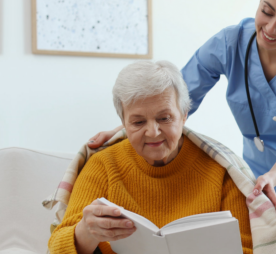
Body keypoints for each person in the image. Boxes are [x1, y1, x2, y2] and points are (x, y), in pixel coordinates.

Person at [88, 0, 276, 248]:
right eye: (266, 11)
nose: (271, 28)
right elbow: (177, 100)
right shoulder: (232, 42)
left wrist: (273, 177)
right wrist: (125, 130)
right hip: (259, 176)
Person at [49, 61, 253, 254]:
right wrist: (85, 231)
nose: (153, 132)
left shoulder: (221, 170)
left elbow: (248, 249)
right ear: (123, 123)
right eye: (138, 122)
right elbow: (56, 248)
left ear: (184, 115)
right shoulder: (103, 165)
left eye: (164, 118)